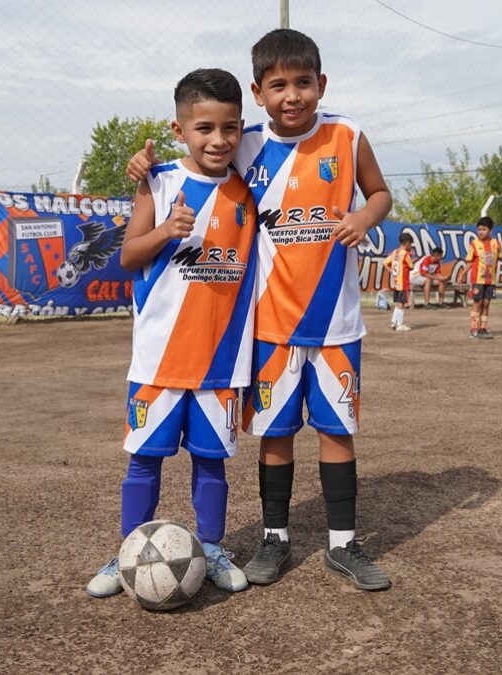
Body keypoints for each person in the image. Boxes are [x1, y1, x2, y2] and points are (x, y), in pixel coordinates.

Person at [132, 30, 393, 591]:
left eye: (303, 83)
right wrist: (140, 167)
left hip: (336, 325)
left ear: (321, 84)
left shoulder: (347, 138)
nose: (292, 96)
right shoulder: (244, 145)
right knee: (274, 434)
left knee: (337, 430)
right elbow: (193, 162)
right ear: (258, 92)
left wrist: (365, 219)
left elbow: (380, 193)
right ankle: (275, 538)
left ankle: (343, 545)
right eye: (279, 86)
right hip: (269, 328)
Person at [86, 68, 257, 599]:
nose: (219, 139)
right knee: (144, 461)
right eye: (204, 127)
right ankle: (127, 552)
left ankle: (212, 547)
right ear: (179, 130)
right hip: (158, 362)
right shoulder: (157, 182)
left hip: (222, 363)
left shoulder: (251, 189)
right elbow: (127, 257)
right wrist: (165, 231)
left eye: (230, 128)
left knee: (212, 463)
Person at [465, 216, 502, 339]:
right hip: (478, 279)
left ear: (490, 230)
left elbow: (498, 259)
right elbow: (470, 262)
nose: (481, 232)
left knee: (486, 304)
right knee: (478, 302)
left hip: (490, 280)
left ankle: (483, 328)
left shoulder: (496, 243)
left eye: (484, 229)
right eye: (479, 229)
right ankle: (473, 329)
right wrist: (462, 273)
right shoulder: (474, 244)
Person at [382, 232, 415, 330]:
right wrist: (411, 257)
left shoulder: (395, 252)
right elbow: (411, 266)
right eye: (410, 244)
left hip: (396, 281)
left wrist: (392, 271)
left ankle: (393, 322)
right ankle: (400, 324)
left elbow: (385, 263)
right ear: (407, 243)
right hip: (403, 282)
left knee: (398, 302)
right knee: (402, 303)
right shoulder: (405, 254)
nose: (411, 246)